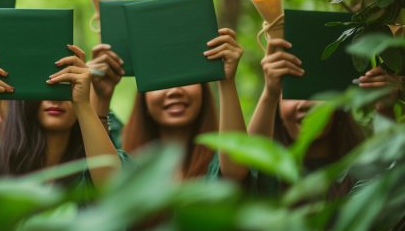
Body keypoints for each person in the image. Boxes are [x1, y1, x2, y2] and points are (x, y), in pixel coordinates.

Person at [0, 45, 122, 188]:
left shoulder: (93, 164)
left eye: (65, 86)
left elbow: (114, 187)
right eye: (46, 85)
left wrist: (84, 104)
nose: (54, 100)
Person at [120, 29, 249, 181]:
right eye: (162, 81)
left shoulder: (219, 164)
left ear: (203, 90)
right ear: (143, 98)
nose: (175, 90)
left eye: (186, 79)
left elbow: (236, 172)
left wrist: (227, 81)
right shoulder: (122, 166)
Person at [248, 38, 367, 196]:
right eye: (293, 91)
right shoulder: (270, 174)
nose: (304, 103)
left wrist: (386, 111)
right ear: (277, 110)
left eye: (316, 90)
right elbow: (247, 168)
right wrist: (270, 94)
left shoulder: (363, 168)